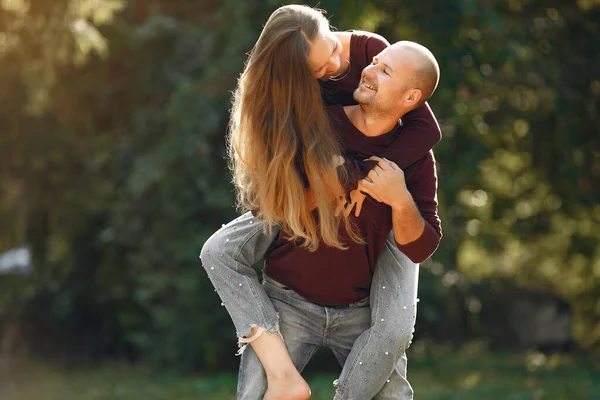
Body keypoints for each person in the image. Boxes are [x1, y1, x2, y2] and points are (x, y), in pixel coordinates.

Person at [200, 5, 441, 399]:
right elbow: (274, 197)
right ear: (300, 78)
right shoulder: (306, 116)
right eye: (321, 66)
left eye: (385, 69)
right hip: (291, 288)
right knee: (220, 251)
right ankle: (282, 376)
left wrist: (390, 193)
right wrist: (334, 182)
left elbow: (426, 128)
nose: (340, 65)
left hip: (363, 298)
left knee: (395, 329)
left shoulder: (367, 52)